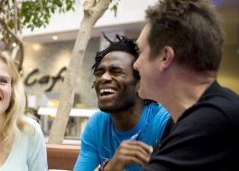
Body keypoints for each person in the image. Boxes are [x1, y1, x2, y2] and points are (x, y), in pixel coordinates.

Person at [128, 0, 239, 170]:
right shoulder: (179, 122)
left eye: (140, 53)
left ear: (165, 57)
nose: (135, 65)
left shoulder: (213, 120)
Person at [73, 34, 170, 171]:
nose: (104, 78)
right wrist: (111, 167)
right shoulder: (97, 124)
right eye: (100, 73)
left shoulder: (164, 122)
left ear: (140, 82)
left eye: (116, 72)